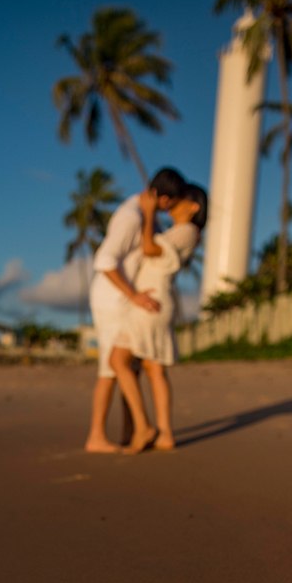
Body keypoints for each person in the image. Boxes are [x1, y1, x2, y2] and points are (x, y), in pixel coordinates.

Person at [85, 168, 187, 453]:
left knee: (129, 368)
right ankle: (97, 436)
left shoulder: (146, 217)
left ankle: (131, 431)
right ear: (163, 198)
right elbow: (104, 260)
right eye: (172, 203)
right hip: (112, 300)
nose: (171, 210)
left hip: (127, 301)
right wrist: (134, 295)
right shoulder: (131, 217)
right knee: (110, 367)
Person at [110, 183, 207, 452]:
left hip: (151, 301)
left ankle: (143, 426)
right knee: (154, 368)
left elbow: (150, 248)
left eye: (183, 199)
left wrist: (149, 212)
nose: (175, 202)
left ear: (194, 206)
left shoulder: (188, 231)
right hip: (158, 300)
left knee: (117, 360)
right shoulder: (181, 232)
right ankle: (164, 434)